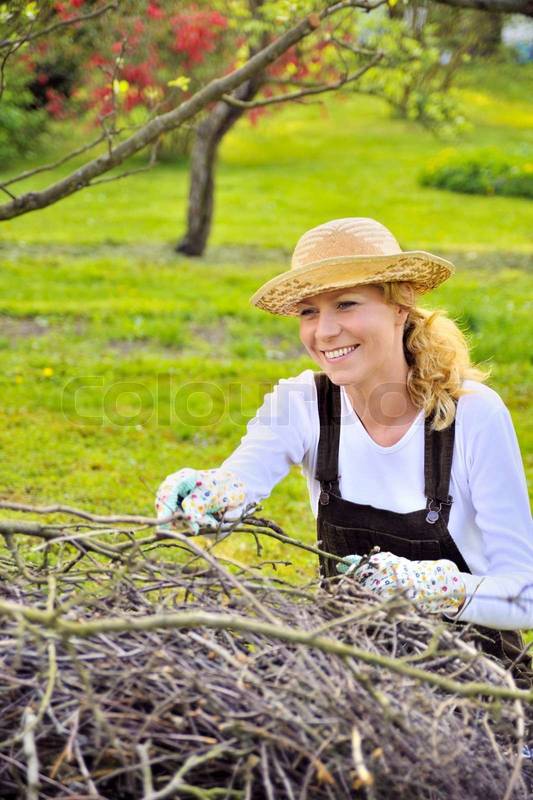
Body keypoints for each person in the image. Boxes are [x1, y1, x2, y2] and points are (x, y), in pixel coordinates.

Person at [156, 217, 533, 681]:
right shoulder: (302, 403)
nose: (325, 331)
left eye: (346, 304)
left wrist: (433, 587)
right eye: (308, 312)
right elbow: (241, 479)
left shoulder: (473, 415)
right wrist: (209, 493)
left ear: (400, 305)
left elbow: (525, 595)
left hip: (473, 682)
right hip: (349, 682)